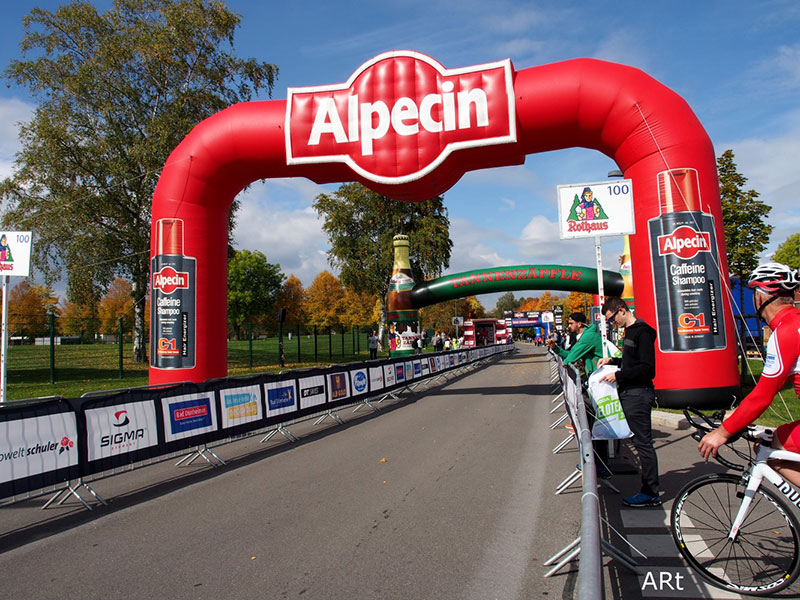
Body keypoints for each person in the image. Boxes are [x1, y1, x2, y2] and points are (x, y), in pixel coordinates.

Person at [698, 263, 800, 486]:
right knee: (776, 439)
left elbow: (763, 396)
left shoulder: (786, 330)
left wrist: (722, 432)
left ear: (761, 298)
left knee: (770, 448)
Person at [598, 297, 660, 507]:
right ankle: (648, 489)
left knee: (643, 444)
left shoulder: (642, 332)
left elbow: (647, 368)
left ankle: (651, 492)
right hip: (630, 392)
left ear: (622, 311)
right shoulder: (630, 332)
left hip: (638, 394)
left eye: (612, 319)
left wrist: (619, 375)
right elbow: (631, 361)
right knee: (638, 442)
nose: (612, 323)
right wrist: (613, 361)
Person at [546, 311, 609, 476]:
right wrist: (556, 348)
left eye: (571, 323)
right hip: (597, 382)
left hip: (602, 384)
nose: (568, 326)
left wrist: (566, 360)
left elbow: (571, 358)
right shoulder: (584, 337)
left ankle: (600, 465)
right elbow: (569, 355)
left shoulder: (588, 337)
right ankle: (597, 462)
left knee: (597, 424)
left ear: (579, 324)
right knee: (594, 423)